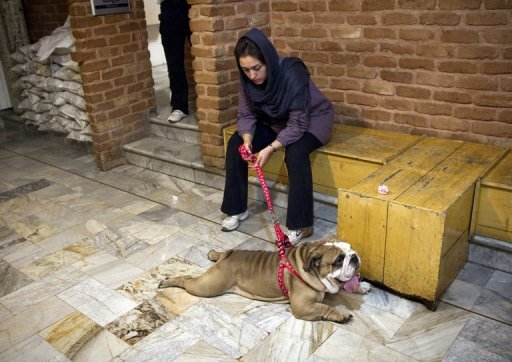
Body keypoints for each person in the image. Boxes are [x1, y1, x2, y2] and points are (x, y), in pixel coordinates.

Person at [221, 28, 335, 245]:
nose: (252, 76)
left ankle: (301, 225)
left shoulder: (293, 73)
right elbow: (245, 114)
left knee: (296, 152)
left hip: (313, 119)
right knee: (236, 142)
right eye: (245, 70)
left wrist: (271, 147)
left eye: (257, 68)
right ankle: (237, 209)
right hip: (277, 122)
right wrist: (247, 139)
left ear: (268, 60)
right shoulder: (248, 81)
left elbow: (298, 123)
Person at [158, 0, 191, 123]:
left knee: (205, 56)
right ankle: (179, 106)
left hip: (193, 5)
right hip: (169, 7)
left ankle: (209, 103)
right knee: (174, 63)